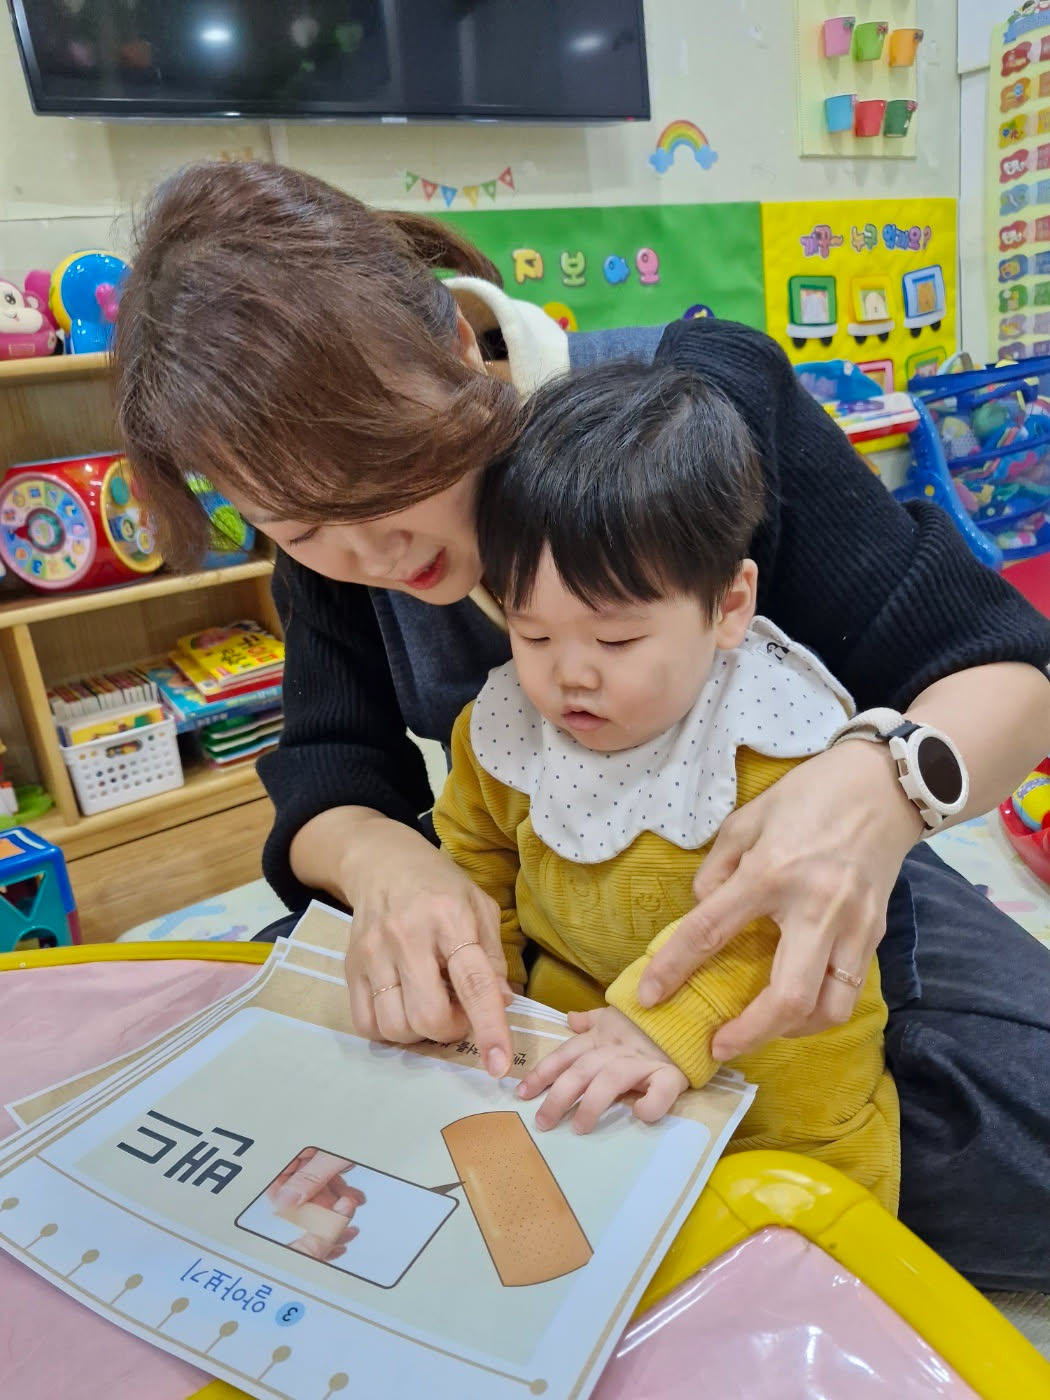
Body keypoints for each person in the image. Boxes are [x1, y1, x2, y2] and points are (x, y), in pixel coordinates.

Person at [114, 160, 1050, 1289]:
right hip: (542, 908)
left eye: (382, 478)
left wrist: (878, 791)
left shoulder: (696, 407)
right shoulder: (335, 538)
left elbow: (1005, 665)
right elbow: (327, 766)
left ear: (456, 345)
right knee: (277, 1055)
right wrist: (389, 867)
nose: (370, 552)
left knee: (1002, 1132)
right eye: (301, 527)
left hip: (795, 874)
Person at [432, 361, 900, 1209]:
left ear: (728, 605)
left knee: (805, 1239)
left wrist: (663, 1027)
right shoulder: (503, 731)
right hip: (584, 1065)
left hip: (782, 1090)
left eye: (615, 642)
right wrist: (485, 984)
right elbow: (474, 856)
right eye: (533, 634)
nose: (570, 676)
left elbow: (780, 925)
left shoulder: (772, 733)